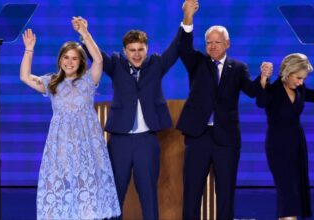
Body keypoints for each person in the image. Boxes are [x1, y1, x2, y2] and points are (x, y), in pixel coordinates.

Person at [81, 9, 183, 220]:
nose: (136, 54)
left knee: (148, 195)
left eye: (140, 49)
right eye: (132, 49)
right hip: (120, 141)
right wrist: (85, 34)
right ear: (125, 51)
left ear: (146, 49)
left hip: (147, 141)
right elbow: (96, 56)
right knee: (114, 193)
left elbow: (175, 50)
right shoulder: (116, 65)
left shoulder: (156, 65)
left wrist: (187, 21)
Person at [177, 1, 273, 219]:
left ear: (227, 44)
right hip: (198, 136)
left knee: (226, 192)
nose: (212, 46)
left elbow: (253, 91)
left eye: (217, 42)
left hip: (226, 139)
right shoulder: (197, 62)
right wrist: (188, 16)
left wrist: (265, 77)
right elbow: (184, 47)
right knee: (192, 191)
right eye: (208, 42)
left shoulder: (238, 68)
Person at [20, 17, 121, 219]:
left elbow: (99, 59)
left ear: (81, 62)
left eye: (74, 58)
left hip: (87, 146)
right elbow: (25, 76)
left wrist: (84, 33)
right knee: (64, 190)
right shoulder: (52, 83)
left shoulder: (89, 80)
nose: (69, 62)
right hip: (61, 146)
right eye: (66, 58)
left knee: (86, 190)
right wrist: (29, 49)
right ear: (60, 61)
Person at [256, 51, 314, 219]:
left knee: (296, 189)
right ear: (287, 72)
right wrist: (263, 79)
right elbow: (261, 102)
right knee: (286, 190)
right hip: (277, 146)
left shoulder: (301, 90)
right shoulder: (273, 89)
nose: (301, 82)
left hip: (297, 144)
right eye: (298, 78)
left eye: (304, 79)